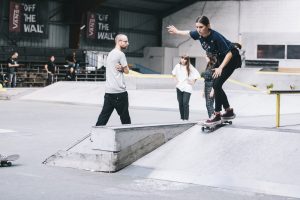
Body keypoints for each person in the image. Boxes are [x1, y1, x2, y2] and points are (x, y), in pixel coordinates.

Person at [167, 16, 241, 125]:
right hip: (221, 58)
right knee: (217, 85)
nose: (198, 29)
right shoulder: (198, 34)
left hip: (232, 58)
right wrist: (177, 31)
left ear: (208, 26)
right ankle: (228, 111)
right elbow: (188, 33)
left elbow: (229, 53)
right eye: (197, 27)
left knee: (216, 85)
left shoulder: (216, 37)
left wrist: (220, 68)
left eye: (201, 27)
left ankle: (217, 114)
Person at [95, 34, 131, 126]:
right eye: (125, 41)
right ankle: (129, 137)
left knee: (103, 117)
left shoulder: (110, 53)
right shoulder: (121, 54)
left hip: (109, 92)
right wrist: (123, 69)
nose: (128, 43)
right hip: (119, 92)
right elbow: (127, 71)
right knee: (125, 118)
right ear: (119, 42)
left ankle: (96, 136)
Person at [172, 55, 200, 121]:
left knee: (185, 103)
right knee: (180, 103)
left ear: (187, 60)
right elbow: (173, 73)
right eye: (182, 58)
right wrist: (175, 80)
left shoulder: (190, 66)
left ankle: (186, 119)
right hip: (179, 87)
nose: (183, 60)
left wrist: (193, 82)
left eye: (185, 59)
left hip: (187, 87)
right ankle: (182, 118)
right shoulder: (177, 66)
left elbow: (197, 74)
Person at [201, 54, 217, 118]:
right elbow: (205, 80)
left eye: (206, 57)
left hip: (211, 86)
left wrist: (213, 90)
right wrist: (203, 91)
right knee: (208, 104)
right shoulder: (208, 65)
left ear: (209, 57)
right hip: (206, 87)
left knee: (209, 104)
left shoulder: (213, 66)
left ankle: (212, 117)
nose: (205, 58)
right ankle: (212, 117)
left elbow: (215, 79)